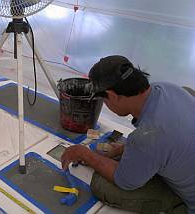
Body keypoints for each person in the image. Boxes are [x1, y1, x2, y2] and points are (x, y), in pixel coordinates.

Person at [61, 55, 195, 213]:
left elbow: (124, 180)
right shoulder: (166, 88)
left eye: (103, 100)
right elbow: (162, 139)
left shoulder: (146, 137)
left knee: (102, 185)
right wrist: (124, 149)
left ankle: (176, 205)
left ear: (112, 96)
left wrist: (84, 154)